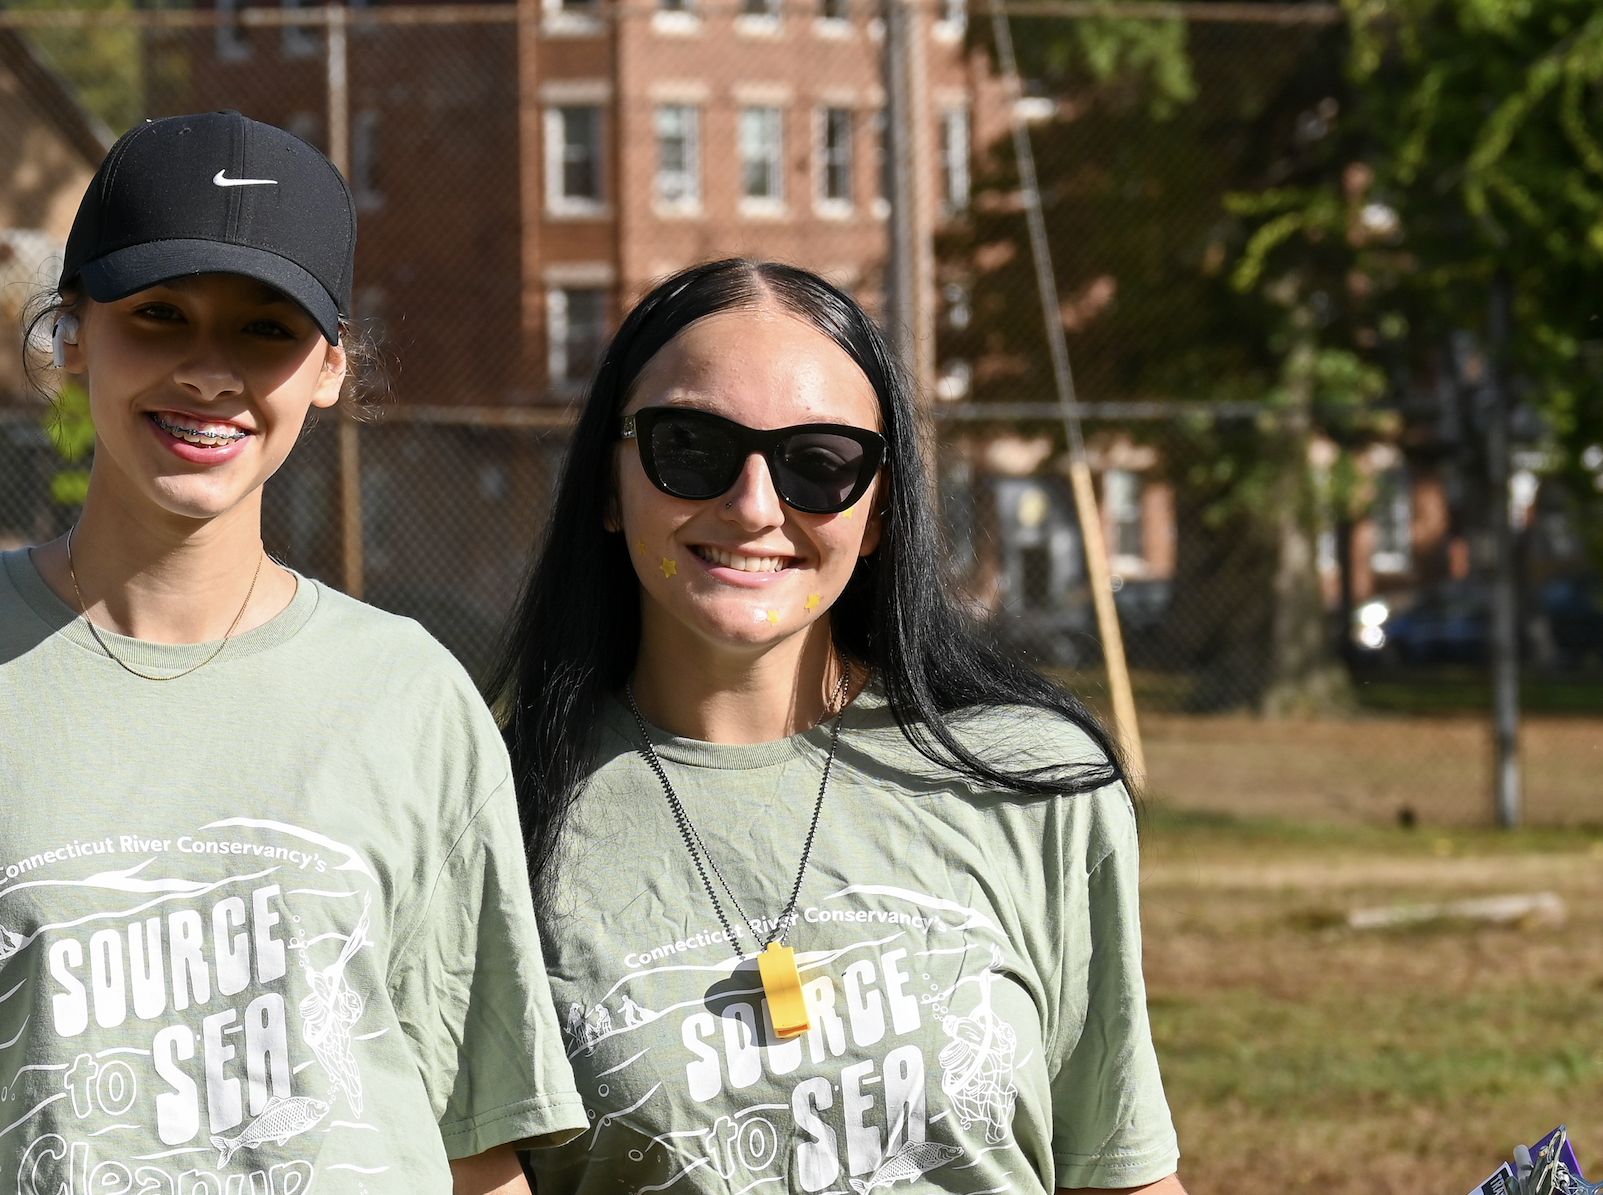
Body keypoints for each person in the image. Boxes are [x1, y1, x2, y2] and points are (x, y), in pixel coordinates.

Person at [0, 112, 585, 1195]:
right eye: (159, 316)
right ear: (71, 333)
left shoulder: (411, 697)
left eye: (266, 331)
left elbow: (475, 1148)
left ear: (330, 367)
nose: (208, 373)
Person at [491, 259, 1186, 1195]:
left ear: (880, 507)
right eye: (689, 445)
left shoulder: (1035, 783)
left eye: (819, 463)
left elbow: (1118, 1172)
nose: (753, 506)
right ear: (610, 485)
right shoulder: (487, 806)